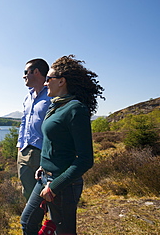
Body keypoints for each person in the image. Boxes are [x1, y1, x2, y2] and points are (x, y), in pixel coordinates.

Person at [20, 55, 105, 235]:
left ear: (61, 81)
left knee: (64, 232)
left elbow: (85, 160)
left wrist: (55, 186)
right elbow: (53, 143)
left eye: (48, 79)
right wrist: (43, 166)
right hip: (44, 178)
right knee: (27, 222)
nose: (45, 83)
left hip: (63, 185)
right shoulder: (55, 106)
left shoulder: (75, 109)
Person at [17, 58, 52, 200]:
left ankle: (50, 222)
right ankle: (32, 222)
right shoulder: (28, 97)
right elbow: (24, 122)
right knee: (28, 194)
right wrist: (19, 145)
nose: (23, 76)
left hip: (43, 153)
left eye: (26, 72)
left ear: (36, 72)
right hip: (24, 151)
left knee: (46, 194)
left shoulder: (52, 94)